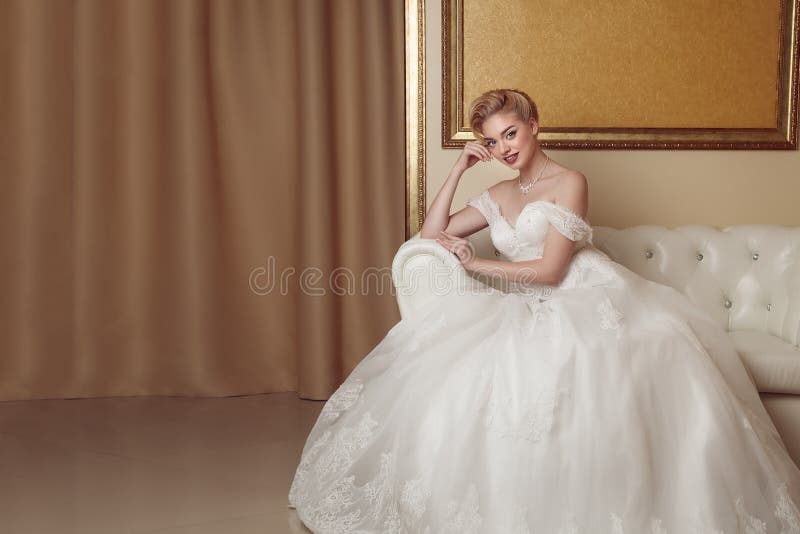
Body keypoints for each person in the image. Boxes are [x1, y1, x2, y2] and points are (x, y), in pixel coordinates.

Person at [288, 88, 800, 533]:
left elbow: (553, 271)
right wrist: (459, 168)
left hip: (582, 294)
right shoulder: (496, 192)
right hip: (519, 299)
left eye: (511, 134)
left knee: (601, 365)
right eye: (492, 142)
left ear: (533, 126)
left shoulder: (570, 182)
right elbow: (430, 235)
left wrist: (480, 264)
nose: (504, 148)